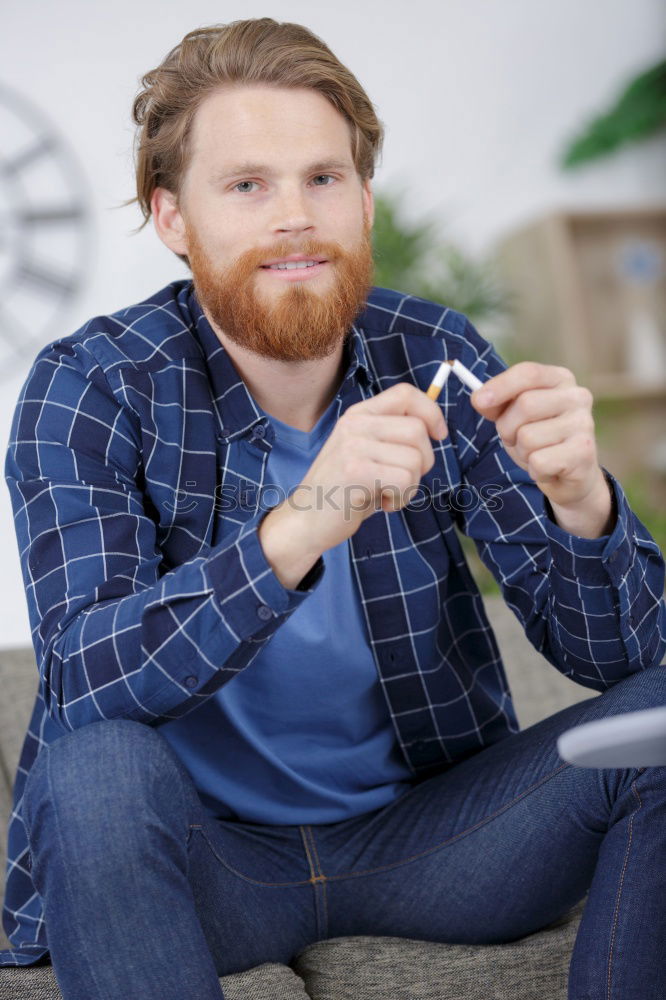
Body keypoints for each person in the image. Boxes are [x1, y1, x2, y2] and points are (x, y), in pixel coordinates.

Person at [1, 16, 664, 1000]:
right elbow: (86, 682)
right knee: (92, 766)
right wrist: (304, 522)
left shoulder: (434, 351)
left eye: (324, 178)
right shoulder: (90, 385)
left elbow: (623, 663)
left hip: (435, 840)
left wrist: (584, 501)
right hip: (213, 864)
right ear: (174, 218)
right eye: (247, 185)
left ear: (362, 201)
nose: (296, 217)